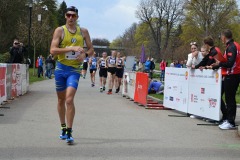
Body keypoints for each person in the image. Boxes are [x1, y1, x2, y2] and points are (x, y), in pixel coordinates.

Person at [50, 6, 93, 143]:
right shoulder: (60, 30)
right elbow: (52, 50)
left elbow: (91, 49)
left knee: (69, 99)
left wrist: (84, 54)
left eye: (73, 16)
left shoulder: (83, 32)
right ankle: (62, 127)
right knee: (61, 100)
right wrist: (71, 48)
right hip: (60, 69)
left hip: (74, 70)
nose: (70, 18)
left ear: (77, 18)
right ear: (65, 16)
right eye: (68, 15)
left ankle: (69, 131)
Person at [210, 29, 240, 130]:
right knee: (228, 98)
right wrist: (219, 64)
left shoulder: (232, 46)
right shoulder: (232, 46)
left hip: (232, 75)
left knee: (230, 99)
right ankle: (228, 119)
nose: (221, 39)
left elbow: (230, 63)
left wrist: (220, 63)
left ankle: (231, 122)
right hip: (231, 74)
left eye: (221, 37)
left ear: (224, 37)